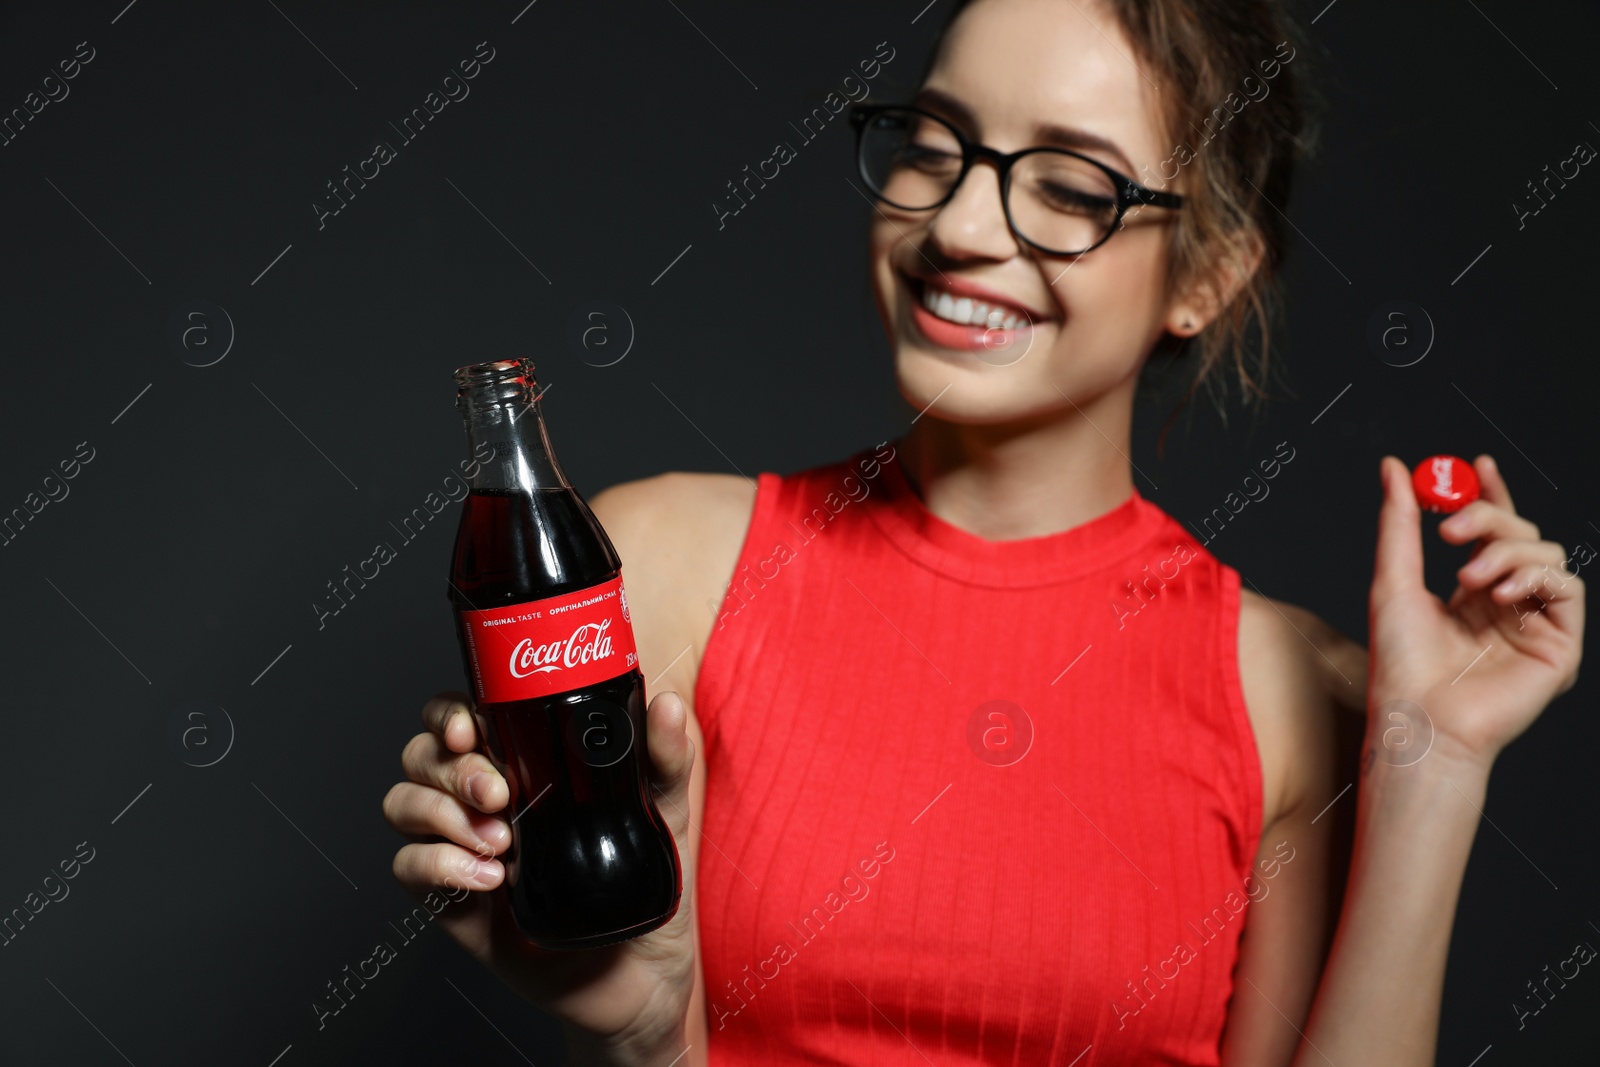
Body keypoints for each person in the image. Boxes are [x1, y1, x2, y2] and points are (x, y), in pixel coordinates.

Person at [381, 0, 1586, 1062]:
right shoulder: (662, 570)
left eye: (1070, 186)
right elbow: (638, 1014)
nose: (959, 227)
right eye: (936, 144)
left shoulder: (1289, 694)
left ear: (1206, 275)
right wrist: (651, 1033)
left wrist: (1433, 766)